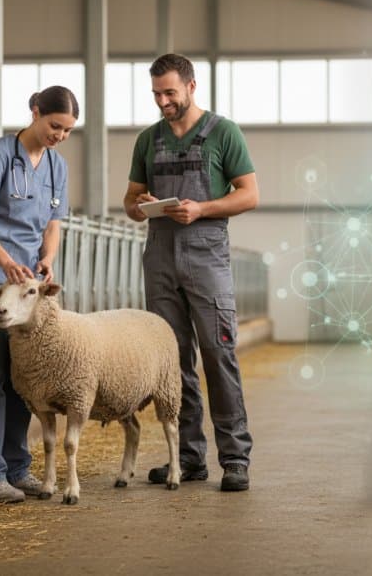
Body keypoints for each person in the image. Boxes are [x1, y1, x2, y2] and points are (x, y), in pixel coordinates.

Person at [123, 54, 259, 492]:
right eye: (156, 94)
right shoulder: (148, 141)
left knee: (219, 356)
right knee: (173, 361)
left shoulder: (223, 133)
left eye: (170, 93)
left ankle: (235, 458)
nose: (163, 102)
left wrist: (202, 208)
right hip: (160, 256)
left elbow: (249, 194)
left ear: (191, 86)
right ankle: (188, 457)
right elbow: (129, 200)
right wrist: (141, 208)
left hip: (207, 257)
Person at [0, 86, 76, 503]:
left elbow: (54, 222)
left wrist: (49, 258)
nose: (59, 135)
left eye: (67, 130)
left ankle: (17, 467)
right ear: (35, 111)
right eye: (54, 125)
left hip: (28, 290)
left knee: (23, 380)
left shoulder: (57, 166)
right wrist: (6, 262)